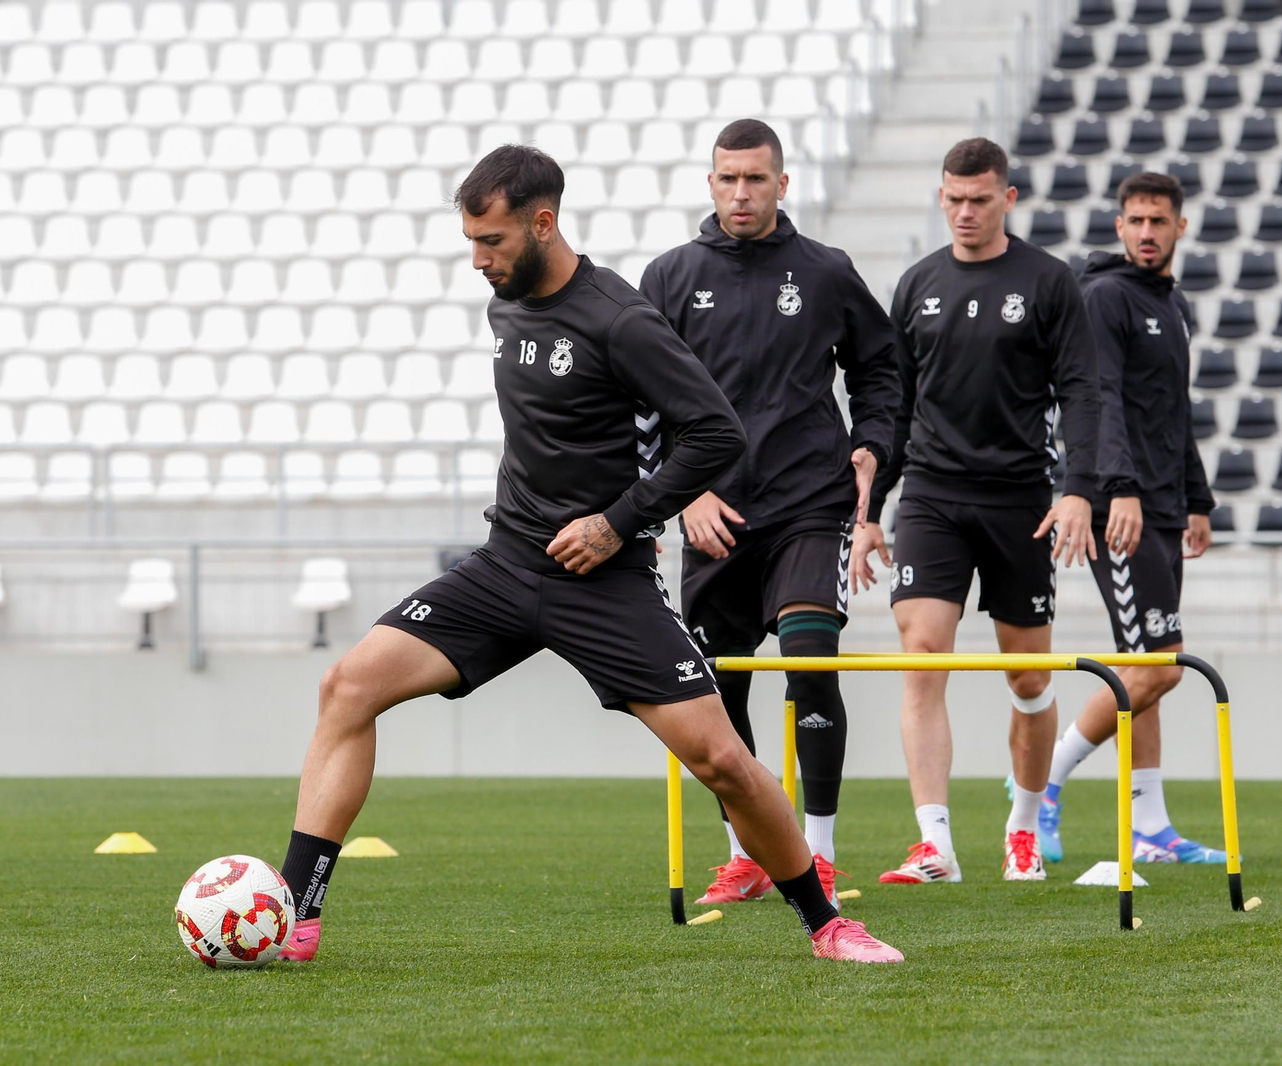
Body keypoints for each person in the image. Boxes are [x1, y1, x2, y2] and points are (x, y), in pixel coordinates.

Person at [273, 146, 903, 964]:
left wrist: (617, 522)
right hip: (505, 567)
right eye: (470, 241)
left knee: (724, 761)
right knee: (347, 686)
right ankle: (297, 914)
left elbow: (715, 432)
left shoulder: (620, 317)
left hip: (604, 584)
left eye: (491, 241)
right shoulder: (506, 304)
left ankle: (827, 924)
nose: (478, 260)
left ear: (543, 223)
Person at [639, 119, 901, 909]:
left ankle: (817, 852)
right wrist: (680, 495)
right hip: (712, 514)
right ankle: (747, 855)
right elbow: (640, 404)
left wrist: (871, 445)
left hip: (808, 505)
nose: (742, 193)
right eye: (728, 179)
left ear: (783, 185)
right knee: (717, 693)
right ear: (710, 183)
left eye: (756, 179)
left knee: (809, 656)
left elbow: (880, 369)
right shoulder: (670, 277)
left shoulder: (824, 272)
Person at [849, 137, 1101, 885]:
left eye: (979, 200)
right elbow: (891, 409)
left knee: (1027, 677)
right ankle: (935, 843)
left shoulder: (1050, 283)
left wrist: (1079, 489)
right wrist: (870, 512)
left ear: (1007, 199)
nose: (965, 212)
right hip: (931, 495)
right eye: (953, 200)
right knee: (922, 656)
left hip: (1020, 499)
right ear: (941, 199)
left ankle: (1023, 826)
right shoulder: (918, 283)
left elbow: (1083, 392)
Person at [1038, 171, 1225, 865]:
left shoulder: (1169, 303)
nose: (1147, 232)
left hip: (1163, 506)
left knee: (1149, 666)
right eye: (1136, 220)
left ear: (1180, 228)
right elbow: (1100, 400)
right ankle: (1045, 782)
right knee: (1157, 668)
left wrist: (1196, 499)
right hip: (1125, 507)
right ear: (1119, 227)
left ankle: (1151, 828)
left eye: (1159, 221)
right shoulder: (1106, 296)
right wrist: (1117, 489)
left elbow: (1172, 411)